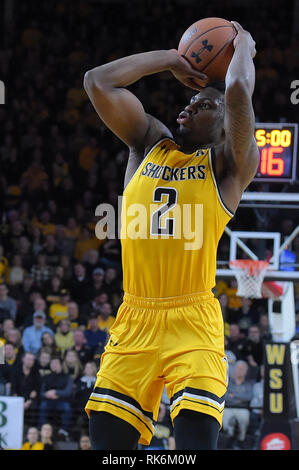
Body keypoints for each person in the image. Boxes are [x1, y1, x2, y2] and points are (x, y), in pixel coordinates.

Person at [84, 21, 258, 450]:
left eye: (204, 106)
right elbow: (98, 82)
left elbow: (235, 90)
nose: (191, 105)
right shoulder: (148, 143)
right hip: (135, 317)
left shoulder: (229, 168)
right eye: (190, 100)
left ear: (223, 127)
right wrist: (171, 61)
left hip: (192, 321)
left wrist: (244, 47)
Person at [222, 360, 254, 449]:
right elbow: (225, 396)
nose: (240, 371)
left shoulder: (248, 384)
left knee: (244, 418)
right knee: (226, 418)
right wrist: (239, 398)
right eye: (238, 368)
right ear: (234, 370)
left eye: (242, 369)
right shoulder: (228, 382)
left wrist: (233, 396)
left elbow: (249, 397)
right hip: (228, 407)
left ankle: (240, 440)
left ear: (246, 371)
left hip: (242, 408)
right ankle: (230, 437)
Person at [38, 356, 73, 435]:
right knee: (42, 406)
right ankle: (41, 429)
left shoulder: (67, 377)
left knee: (67, 408)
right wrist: (48, 394)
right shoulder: (46, 377)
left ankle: (65, 430)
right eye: (52, 363)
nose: (54, 365)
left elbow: (68, 392)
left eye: (56, 363)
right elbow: (41, 393)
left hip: (62, 401)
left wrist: (56, 392)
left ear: (61, 364)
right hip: (48, 401)